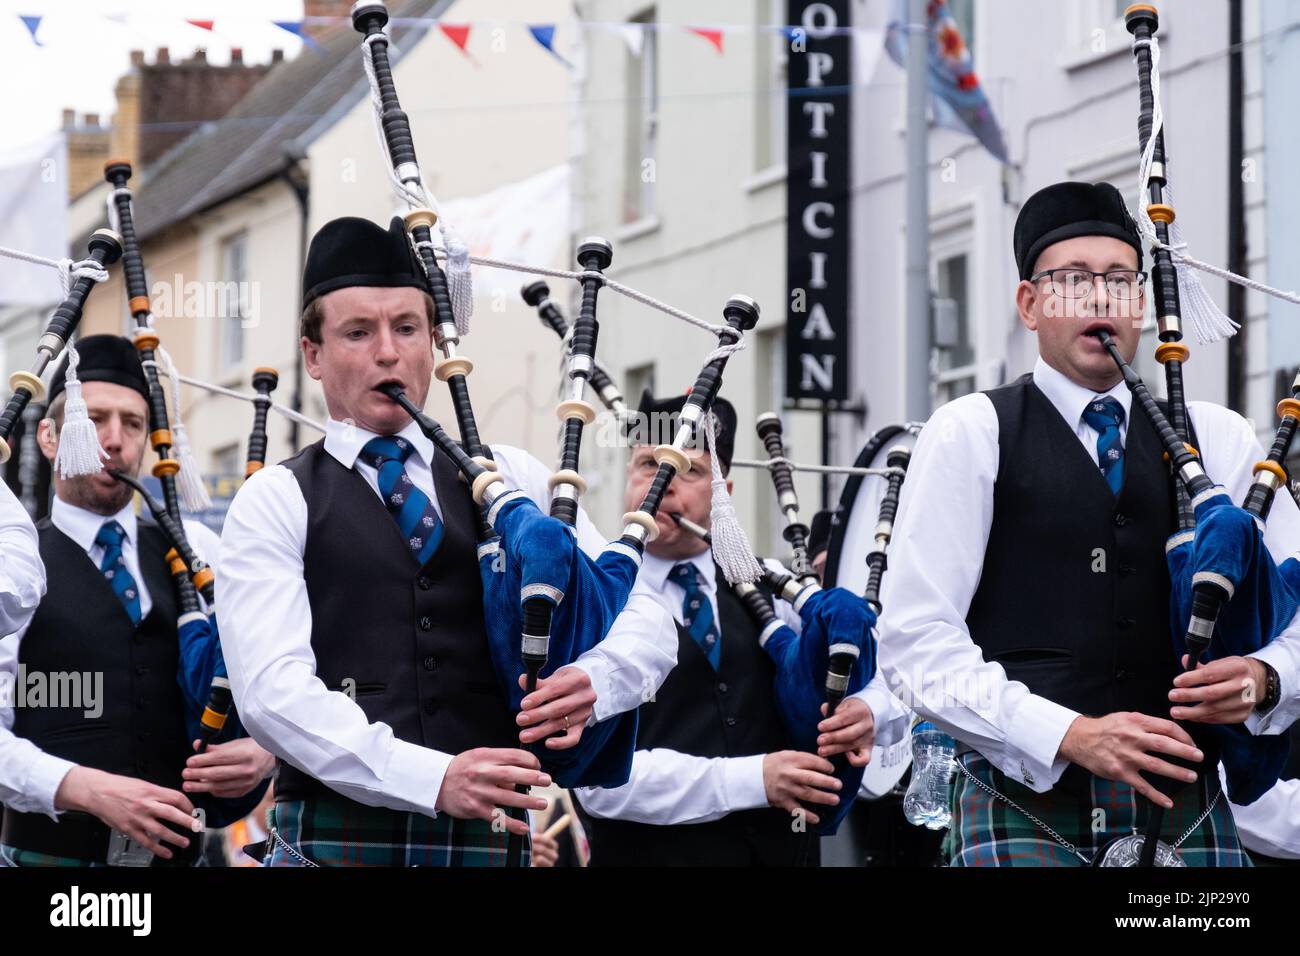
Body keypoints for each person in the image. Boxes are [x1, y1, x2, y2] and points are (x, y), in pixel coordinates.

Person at [218, 216, 674, 867]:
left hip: (493, 844)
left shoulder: (513, 478)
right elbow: (272, 695)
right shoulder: (275, 500)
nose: (388, 352)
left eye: (407, 328)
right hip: (338, 844)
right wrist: (431, 778)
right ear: (312, 356)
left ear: (434, 343)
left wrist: (597, 679)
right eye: (358, 331)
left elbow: (645, 613)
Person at [878, 181, 1300, 866]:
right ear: (1028, 303)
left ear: (1142, 303)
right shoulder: (972, 433)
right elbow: (914, 641)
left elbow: (1296, 603)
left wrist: (1264, 676)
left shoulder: (1218, 438)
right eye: (1071, 281)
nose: (1099, 299)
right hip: (1023, 800)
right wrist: (1067, 733)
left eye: (1118, 280)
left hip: (1183, 807)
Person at [573, 392, 908, 866]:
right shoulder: (592, 595)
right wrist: (756, 780)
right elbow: (594, 785)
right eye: (650, 464)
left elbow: (895, 679)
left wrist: (868, 710)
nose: (664, 484)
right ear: (628, 477)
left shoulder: (772, 586)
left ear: (723, 490)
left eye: (689, 470)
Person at [0, 335, 273, 866]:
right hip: (52, 860)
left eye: (132, 423)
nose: (115, 439)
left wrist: (266, 752)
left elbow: (284, 680)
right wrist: (85, 788)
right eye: (95, 419)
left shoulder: (200, 554)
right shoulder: (17, 567)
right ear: (50, 438)